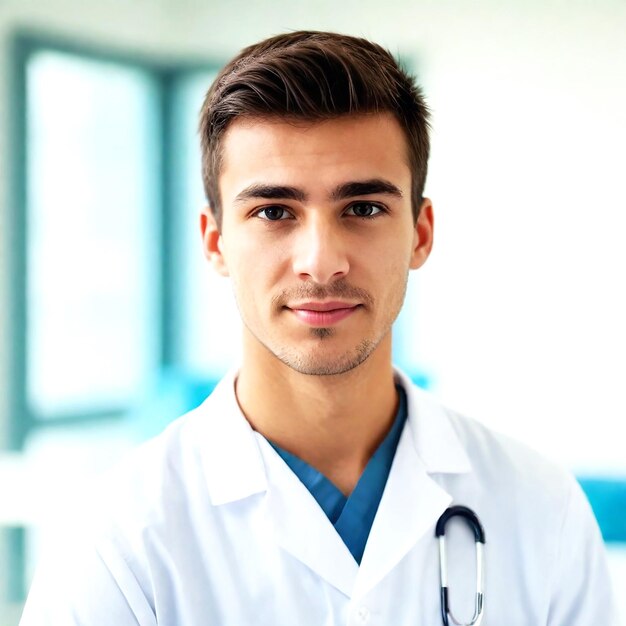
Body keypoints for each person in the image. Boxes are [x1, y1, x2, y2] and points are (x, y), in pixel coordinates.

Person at [20, 31, 618, 625]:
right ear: (215, 242)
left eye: (362, 208)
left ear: (420, 232)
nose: (321, 260)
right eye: (274, 212)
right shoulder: (114, 542)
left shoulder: (545, 510)